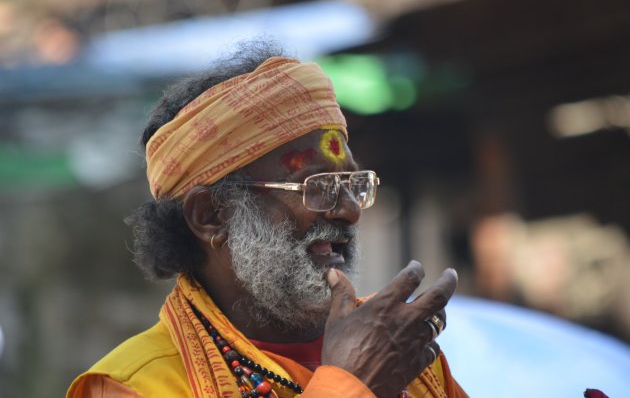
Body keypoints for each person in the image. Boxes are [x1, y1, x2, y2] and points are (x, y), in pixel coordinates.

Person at [67, 43, 467, 398]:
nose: (350, 210)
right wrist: (351, 383)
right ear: (211, 216)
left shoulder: (397, 345)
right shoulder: (131, 386)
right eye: (316, 187)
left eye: (352, 184)